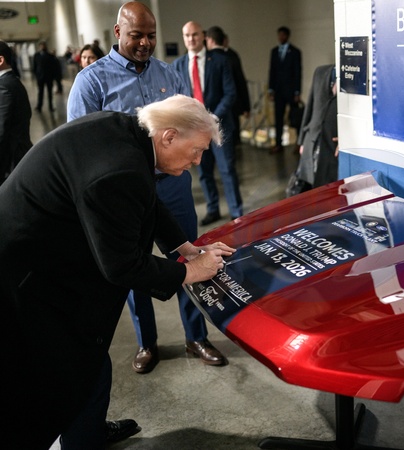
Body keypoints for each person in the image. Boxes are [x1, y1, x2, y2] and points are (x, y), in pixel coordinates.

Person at [0, 94, 236, 450]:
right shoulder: (119, 170)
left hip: (41, 256)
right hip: (28, 280)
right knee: (72, 370)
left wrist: (185, 248)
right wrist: (191, 271)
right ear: (169, 136)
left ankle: (87, 430)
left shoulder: (127, 133)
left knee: (88, 368)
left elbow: (148, 201)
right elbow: (122, 265)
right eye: (197, 151)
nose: (197, 162)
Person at [174, 21, 242, 226]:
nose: (191, 39)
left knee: (227, 169)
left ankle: (236, 211)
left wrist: (211, 118)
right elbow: (177, 97)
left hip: (219, 126)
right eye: (187, 35)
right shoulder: (177, 65)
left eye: (195, 34)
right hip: (194, 130)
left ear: (203, 36)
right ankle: (213, 209)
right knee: (203, 172)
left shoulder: (220, 60)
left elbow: (230, 93)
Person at [295, 64, 339, 190]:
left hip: (333, 146)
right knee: (307, 185)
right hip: (312, 140)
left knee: (327, 187)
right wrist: (302, 141)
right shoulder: (320, 72)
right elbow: (309, 106)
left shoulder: (354, 75)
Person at [0, 40, 32, 186]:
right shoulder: (12, 81)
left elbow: (1, 131)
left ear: (1, 60)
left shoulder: (3, 87)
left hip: (8, 163)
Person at [267, 26, 302, 154]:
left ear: (287, 36)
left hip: (291, 91)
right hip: (278, 91)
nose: (280, 37)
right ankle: (278, 143)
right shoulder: (274, 51)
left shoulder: (295, 52)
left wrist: (297, 92)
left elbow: (298, 72)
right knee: (278, 118)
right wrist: (271, 89)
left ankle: (299, 143)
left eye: (283, 35)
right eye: (279, 35)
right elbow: (272, 71)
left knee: (295, 117)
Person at [32, 40, 58, 112]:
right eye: (41, 45)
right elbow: (35, 66)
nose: (42, 47)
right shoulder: (36, 55)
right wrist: (36, 75)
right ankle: (39, 106)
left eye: (43, 45)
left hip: (49, 77)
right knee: (40, 92)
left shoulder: (50, 55)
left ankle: (51, 106)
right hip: (40, 77)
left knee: (50, 92)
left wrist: (53, 76)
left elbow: (53, 67)